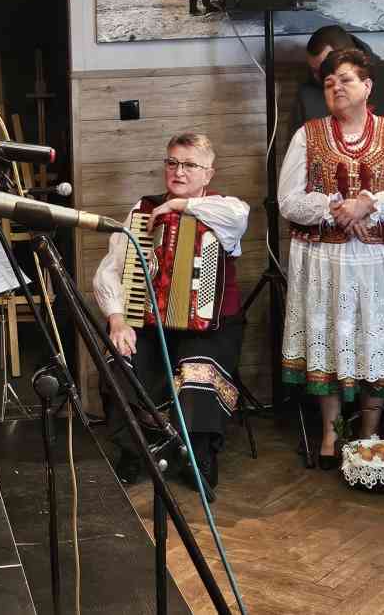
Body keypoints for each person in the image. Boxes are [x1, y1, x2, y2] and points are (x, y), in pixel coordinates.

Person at [279, 49, 384, 469]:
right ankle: (331, 432)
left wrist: (368, 203)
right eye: (329, 83)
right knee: (331, 336)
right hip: (326, 260)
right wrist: (335, 209)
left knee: (373, 339)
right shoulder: (308, 135)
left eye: (345, 80)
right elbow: (288, 199)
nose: (336, 88)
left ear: (367, 86)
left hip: (380, 261)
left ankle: (370, 431)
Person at [93, 132, 249, 495]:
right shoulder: (143, 210)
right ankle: (134, 449)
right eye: (172, 163)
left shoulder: (224, 210)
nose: (179, 172)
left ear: (209, 173)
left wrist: (180, 206)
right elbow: (109, 269)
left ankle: (198, 455)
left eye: (190, 165)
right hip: (149, 323)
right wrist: (117, 318)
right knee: (120, 359)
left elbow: (239, 214)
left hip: (210, 326)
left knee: (198, 372)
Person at [288, 25, 384, 137]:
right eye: (314, 70)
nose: (319, 76)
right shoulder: (306, 94)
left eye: (325, 68)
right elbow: (296, 145)